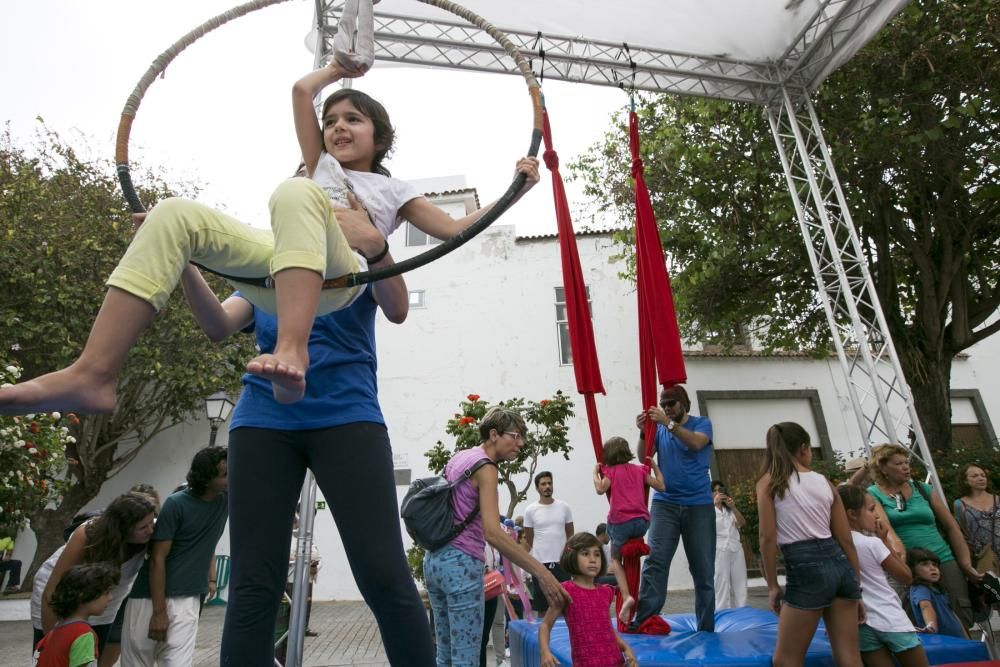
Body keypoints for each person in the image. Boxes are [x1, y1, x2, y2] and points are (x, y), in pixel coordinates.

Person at [0, 57, 540, 416]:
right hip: (282, 268)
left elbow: (456, 229)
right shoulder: (318, 167)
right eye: (331, 120)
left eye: (353, 118)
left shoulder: (392, 187)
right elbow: (302, 89)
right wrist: (337, 68)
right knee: (174, 215)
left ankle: (291, 350)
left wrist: (513, 190)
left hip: (340, 276)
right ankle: (93, 374)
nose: (337, 127)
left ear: (380, 135)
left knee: (296, 193)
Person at [423, 407, 572, 666]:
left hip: (434, 561)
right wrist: (542, 572)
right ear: (494, 434)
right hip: (461, 566)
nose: (521, 443)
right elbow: (492, 533)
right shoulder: (487, 467)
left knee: (444, 655)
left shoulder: (461, 457)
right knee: (465, 659)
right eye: (515, 436)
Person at [756, 422, 863, 667]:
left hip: (805, 565)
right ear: (804, 448)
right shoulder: (824, 482)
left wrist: (772, 585)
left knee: (786, 660)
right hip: (839, 562)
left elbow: (767, 538)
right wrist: (856, 585)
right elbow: (845, 539)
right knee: (849, 657)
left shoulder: (769, 483)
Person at [121, 446, 229, 666]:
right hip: (148, 599)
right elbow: (157, 559)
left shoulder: (226, 499)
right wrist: (159, 612)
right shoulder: (176, 504)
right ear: (207, 479)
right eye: (226, 474)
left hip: (188, 600)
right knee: (137, 662)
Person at [629, 384, 716, 633]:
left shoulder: (702, 423)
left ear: (683, 403)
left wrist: (667, 423)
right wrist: (644, 433)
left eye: (671, 403)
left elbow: (696, 444)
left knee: (703, 568)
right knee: (655, 562)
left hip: (698, 504)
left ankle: (706, 627)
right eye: (663, 403)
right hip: (665, 503)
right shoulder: (660, 428)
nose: (666, 407)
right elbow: (643, 457)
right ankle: (645, 620)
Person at [865, 443, 979, 627]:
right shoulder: (873, 493)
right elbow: (888, 532)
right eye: (898, 463)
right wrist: (902, 565)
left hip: (942, 558)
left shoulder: (923, 489)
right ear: (883, 468)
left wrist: (965, 564)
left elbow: (952, 527)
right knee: (917, 616)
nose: (906, 467)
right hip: (908, 562)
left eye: (906, 462)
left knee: (959, 612)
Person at [31, 493, 156, 656]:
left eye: (151, 523)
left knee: (91, 656)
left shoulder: (151, 535)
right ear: (123, 528)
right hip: (59, 598)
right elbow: (53, 590)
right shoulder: (89, 533)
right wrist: (52, 642)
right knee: (52, 656)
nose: (150, 530)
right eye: (143, 527)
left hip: (103, 606)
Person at [839, 485, 930, 667]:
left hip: (860, 623)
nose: (877, 515)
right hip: (890, 618)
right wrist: (885, 541)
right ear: (852, 514)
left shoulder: (833, 545)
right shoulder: (871, 543)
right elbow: (906, 576)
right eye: (872, 509)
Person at [593, 436, 665, 622]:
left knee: (616, 560)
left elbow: (600, 489)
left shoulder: (611, 472)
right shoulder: (640, 470)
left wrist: (595, 472)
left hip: (621, 523)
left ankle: (626, 596)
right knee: (631, 557)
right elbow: (661, 486)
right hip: (641, 523)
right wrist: (655, 467)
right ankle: (632, 592)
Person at [538, 532, 638, 667]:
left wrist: (626, 648)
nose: (593, 559)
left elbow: (607, 629)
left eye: (597, 554)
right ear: (572, 556)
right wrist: (545, 652)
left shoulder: (605, 592)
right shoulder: (565, 591)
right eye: (585, 554)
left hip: (615, 661)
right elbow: (545, 625)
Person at [101, 483, 161, 667]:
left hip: (120, 597)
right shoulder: (102, 534)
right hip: (96, 597)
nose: (149, 529)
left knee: (115, 638)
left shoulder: (155, 531)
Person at [33, 563, 120, 667]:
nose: (110, 598)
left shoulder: (54, 631)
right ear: (83, 594)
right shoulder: (83, 634)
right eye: (106, 592)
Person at [523, 471, 575, 613]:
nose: (547, 486)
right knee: (542, 607)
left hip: (561, 564)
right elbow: (529, 538)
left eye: (549, 483)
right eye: (543, 484)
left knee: (565, 605)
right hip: (540, 564)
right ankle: (543, 634)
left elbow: (570, 533)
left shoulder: (564, 507)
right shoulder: (530, 510)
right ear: (537, 488)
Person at [907, 547, 968, 639]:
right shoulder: (920, 589)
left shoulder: (937, 590)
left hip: (957, 640)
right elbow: (925, 606)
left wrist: (966, 637)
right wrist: (931, 627)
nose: (932, 568)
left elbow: (953, 615)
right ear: (911, 569)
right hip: (942, 642)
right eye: (925, 564)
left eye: (934, 565)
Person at [953, 463, 999, 576]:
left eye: (983, 475)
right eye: (974, 476)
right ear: (965, 481)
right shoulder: (959, 504)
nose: (981, 478)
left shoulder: (998, 499)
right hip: (985, 556)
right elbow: (961, 533)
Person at [711, 480, 748, 610]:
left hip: (736, 548)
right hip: (720, 549)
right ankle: (721, 611)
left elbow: (742, 523)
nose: (717, 493)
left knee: (740, 581)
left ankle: (741, 610)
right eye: (714, 490)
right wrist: (714, 505)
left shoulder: (729, 509)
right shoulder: (707, 510)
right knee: (722, 581)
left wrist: (733, 507)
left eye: (719, 490)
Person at [0, 527, 22, 594]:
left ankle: (11, 586)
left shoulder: (8, 539)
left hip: (1, 562)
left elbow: (9, 551)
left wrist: (8, 556)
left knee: (16, 563)